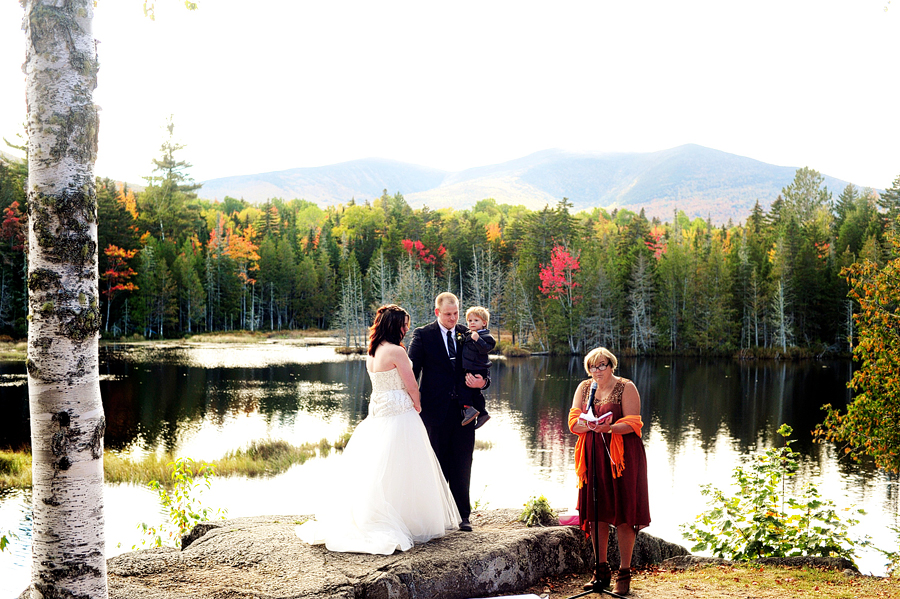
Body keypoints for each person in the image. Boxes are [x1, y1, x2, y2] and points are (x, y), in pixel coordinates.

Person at [296, 304, 460, 554]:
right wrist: (417, 406)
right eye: (404, 323)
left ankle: (381, 514)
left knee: (378, 466)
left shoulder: (372, 351)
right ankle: (408, 520)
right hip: (400, 413)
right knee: (407, 467)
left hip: (378, 414)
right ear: (395, 325)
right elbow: (412, 385)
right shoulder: (396, 351)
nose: (406, 328)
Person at [567, 347, 650, 596]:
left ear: (611, 365)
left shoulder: (626, 387)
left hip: (622, 458)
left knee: (624, 512)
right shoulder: (584, 388)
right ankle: (600, 571)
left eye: (602, 365)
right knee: (596, 513)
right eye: (592, 366)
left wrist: (609, 428)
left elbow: (634, 423)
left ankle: (624, 573)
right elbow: (573, 423)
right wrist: (588, 425)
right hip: (592, 456)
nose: (597, 371)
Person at [408, 292, 488, 532]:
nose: (453, 318)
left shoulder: (468, 334)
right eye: (448, 314)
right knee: (437, 464)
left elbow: (484, 366)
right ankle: (439, 516)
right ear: (437, 312)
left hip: (466, 411)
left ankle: (463, 515)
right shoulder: (423, 335)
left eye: (456, 313)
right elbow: (412, 372)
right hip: (434, 412)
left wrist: (482, 383)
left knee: (463, 463)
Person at [458, 306, 496, 429]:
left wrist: (478, 340)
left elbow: (485, 349)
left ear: (484, 323)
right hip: (470, 367)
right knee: (473, 392)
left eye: (476, 320)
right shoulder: (467, 334)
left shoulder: (486, 336)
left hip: (478, 368)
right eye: (470, 321)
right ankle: (482, 413)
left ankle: (469, 409)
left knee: (466, 387)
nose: (472, 323)